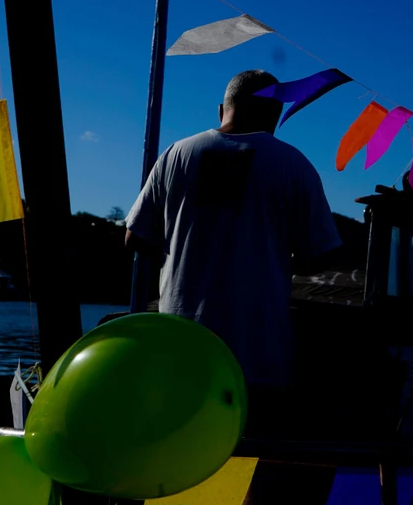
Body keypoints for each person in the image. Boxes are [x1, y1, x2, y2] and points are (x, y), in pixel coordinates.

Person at [124, 70, 343, 433]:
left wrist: (186, 249)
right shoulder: (294, 166)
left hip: (180, 350)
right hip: (259, 355)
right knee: (254, 461)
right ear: (275, 114)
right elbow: (318, 254)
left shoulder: (177, 153)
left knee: (182, 453)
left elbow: (135, 238)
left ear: (222, 108)